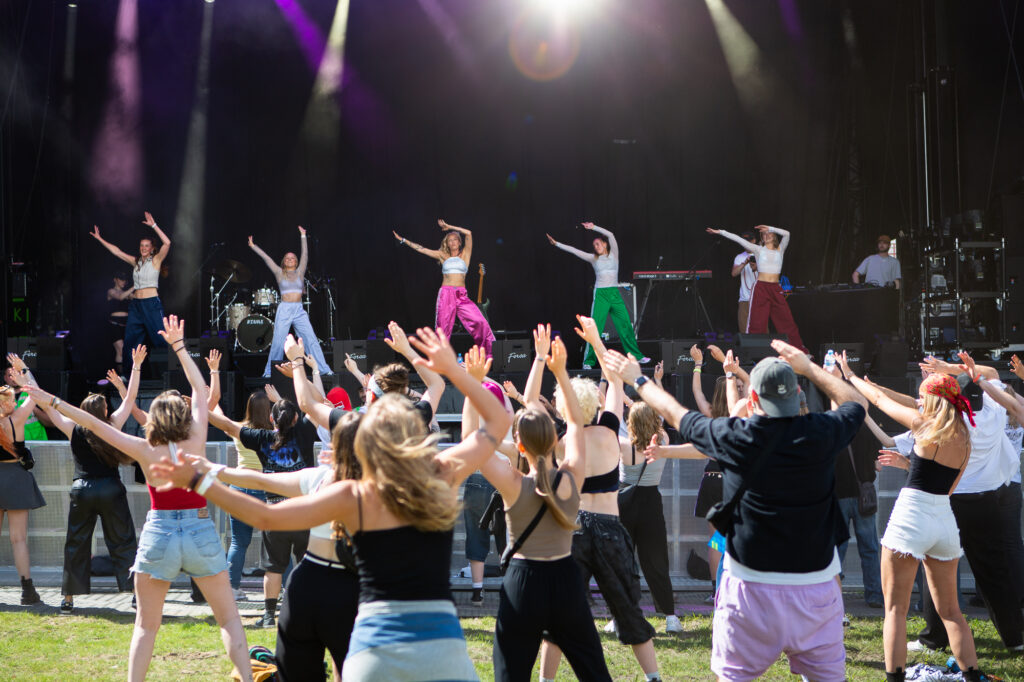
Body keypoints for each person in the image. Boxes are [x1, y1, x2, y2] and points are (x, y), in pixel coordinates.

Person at [151, 326, 510, 682]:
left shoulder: (354, 493)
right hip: (442, 650)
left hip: (374, 652)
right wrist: (455, 370)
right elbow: (498, 420)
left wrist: (201, 479)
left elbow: (265, 514)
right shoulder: (442, 474)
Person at [608, 340, 865, 682]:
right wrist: (809, 367)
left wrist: (639, 381)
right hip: (816, 590)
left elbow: (677, 415)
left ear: (754, 399)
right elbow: (857, 403)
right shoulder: (821, 432)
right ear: (797, 394)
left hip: (750, 591)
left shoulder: (735, 435)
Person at [25, 316, 253, 682]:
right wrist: (178, 346)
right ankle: (247, 675)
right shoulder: (195, 438)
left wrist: (50, 400)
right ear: (182, 415)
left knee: (146, 627)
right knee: (228, 618)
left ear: (154, 421)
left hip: (160, 532)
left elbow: (93, 424)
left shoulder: (143, 448)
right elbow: (198, 387)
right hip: (198, 528)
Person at [458, 330, 610, 682]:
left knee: (510, 675)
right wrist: (560, 371)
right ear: (555, 440)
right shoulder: (573, 477)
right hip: (566, 579)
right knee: (595, 672)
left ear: (519, 446)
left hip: (524, 582)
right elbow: (575, 421)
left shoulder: (514, 484)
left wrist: (473, 384)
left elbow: (471, 441)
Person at [178, 411, 364, 682]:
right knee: (348, 670)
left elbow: (262, 486)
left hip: (307, 586)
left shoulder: (326, 481)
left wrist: (207, 473)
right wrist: (211, 469)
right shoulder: (374, 490)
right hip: (343, 589)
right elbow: (261, 480)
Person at [846, 363, 988, 682]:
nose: (918, 403)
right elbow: (944, 486)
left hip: (912, 517)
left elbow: (882, 404)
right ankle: (972, 676)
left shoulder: (923, 423)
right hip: (942, 520)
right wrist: (907, 463)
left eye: (922, 398)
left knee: (895, 610)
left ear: (933, 401)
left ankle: (895, 678)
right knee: (951, 611)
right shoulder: (965, 438)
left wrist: (851, 378)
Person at [539, 317, 661, 682]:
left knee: (559, 613)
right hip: (608, 530)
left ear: (563, 406)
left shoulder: (560, 437)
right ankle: (654, 679)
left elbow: (534, 403)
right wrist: (595, 340)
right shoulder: (609, 429)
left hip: (574, 531)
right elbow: (613, 380)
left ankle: (545, 681)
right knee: (628, 609)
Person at [909, 354, 1024, 654]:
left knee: (937, 568)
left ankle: (934, 638)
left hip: (951, 498)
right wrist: (956, 370)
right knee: (994, 572)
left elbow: (924, 406)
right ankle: (1016, 637)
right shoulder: (996, 411)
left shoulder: (950, 421)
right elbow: (991, 374)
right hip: (986, 501)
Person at [38, 346, 145, 614]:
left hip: (82, 489)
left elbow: (50, 411)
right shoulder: (112, 424)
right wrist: (136, 366)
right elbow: (131, 398)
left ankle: (68, 599)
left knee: (76, 542)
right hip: (110, 488)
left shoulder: (72, 427)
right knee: (123, 541)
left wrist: (28, 379)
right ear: (104, 409)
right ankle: (135, 594)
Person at [207, 395, 318, 630]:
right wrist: (306, 369)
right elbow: (316, 404)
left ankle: (269, 616)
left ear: (271, 419)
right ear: (296, 417)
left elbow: (227, 426)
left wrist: (199, 409)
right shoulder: (305, 431)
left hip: (275, 512)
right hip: (303, 510)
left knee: (274, 567)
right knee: (307, 565)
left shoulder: (261, 438)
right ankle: (307, 613)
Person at [206, 349, 274, 600]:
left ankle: (231, 590)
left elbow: (217, 417)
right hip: (267, 489)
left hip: (240, 488)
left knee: (238, 543)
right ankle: (286, 589)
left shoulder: (240, 430)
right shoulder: (275, 432)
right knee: (276, 545)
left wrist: (212, 380)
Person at [546, 223, 649, 368]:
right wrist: (556, 244)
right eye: (594, 245)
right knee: (595, 328)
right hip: (601, 294)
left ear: (605, 244)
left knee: (625, 325)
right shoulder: (593, 258)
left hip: (614, 293)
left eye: (598, 243)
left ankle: (636, 356)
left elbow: (611, 234)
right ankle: (588, 361)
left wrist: (594, 227)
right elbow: (574, 251)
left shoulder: (614, 255)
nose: (596, 246)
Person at [617, 399, 680, 632]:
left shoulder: (623, 444)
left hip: (624, 503)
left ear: (630, 422)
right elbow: (659, 418)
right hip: (651, 502)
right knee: (656, 562)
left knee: (622, 561)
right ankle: (670, 617)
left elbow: (612, 419)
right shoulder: (663, 440)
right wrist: (640, 406)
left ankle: (619, 616)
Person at [393, 219, 496, 357]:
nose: (452, 242)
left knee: (480, 322)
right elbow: (421, 249)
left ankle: (487, 354)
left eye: (455, 239)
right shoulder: (443, 255)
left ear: (459, 242)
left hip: (461, 295)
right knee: (442, 329)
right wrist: (403, 240)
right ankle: (440, 359)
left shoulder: (465, 254)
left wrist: (449, 227)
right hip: (446, 294)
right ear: (447, 243)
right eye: (449, 240)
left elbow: (469, 233)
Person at [706, 225, 807, 352]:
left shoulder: (780, 249)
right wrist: (720, 232)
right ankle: (752, 353)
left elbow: (787, 234)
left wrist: (770, 228)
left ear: (774, 236)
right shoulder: (758, 250)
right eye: (764, 234)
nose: (767, 235)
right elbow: (737, 239)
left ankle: (799, 351)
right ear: (762, 239)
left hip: (775, 288)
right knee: (756, 323)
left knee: (786, 321)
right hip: (761, 287)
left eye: (770, 233)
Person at [248, 226, 332, 377]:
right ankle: (269, 371)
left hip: (298, 310)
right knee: (278, 342)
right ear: (284, 262)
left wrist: (303, 236)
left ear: (296, 261)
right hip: (285, 309)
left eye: (293, 258)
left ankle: (323, 369)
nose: (290, 259)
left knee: (311, 339)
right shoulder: (279, 273)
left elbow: (305, 254)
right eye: (287, 258)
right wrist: (254, 246)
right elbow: (267, 259)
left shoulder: (300, 272)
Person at [90, 212, 171, 353]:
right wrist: (100, 239)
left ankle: (169, 372)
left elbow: (167, 243)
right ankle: (127, 375)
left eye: (147, 246)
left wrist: (154, 225)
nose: (143, 248)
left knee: (160, 338)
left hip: (151, 303)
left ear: (152, 249)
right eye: (142, 245)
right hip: (136, 306)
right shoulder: (136, 262)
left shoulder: (156, 261)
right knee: (130, 341)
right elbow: (117, 252)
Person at [0, 355, 45, 605]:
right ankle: (28, 590)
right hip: (15, 477)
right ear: (11, 402)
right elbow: (37, 392)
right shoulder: (16, 419)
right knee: (18, 539)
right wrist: (24, 370)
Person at [3, 364, 50, 441]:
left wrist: (32, 408)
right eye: (10, 375)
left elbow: (50, 422)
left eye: (17, 374)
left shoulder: (34, 393)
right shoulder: (2, 397)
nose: (14, 378)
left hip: (37, 445)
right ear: (5, 378)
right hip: (12, 446)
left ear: (22, 376)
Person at [731, 232, 758, 332]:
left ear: (754, 241)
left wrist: (757, 264)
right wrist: (744, 263)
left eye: (749, 241)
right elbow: (734, 273)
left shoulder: (762, 254)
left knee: (762, 331)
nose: (746, 243)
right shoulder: (739, 257)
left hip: (759, 298)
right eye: (744, 241)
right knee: (744, 330)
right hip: (745, 298)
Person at [108, 272, 134, 373]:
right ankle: (123, 375)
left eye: (125, 280)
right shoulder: (111, 291)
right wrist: (134, 287)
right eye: (121, 279)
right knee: (120, 349)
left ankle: (126, 375)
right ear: (115, 279)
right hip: (114, 323)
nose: (124, 282)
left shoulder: (127, 293)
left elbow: (137, 297)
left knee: (125, 351)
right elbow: (120, 297)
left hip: (126, 324)